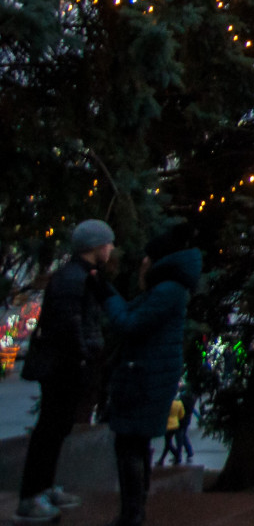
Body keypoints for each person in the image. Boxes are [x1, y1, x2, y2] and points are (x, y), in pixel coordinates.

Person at [98, 224, 202, 526]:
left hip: (145, 375)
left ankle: (133, 513)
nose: (142, 261)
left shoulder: (167, 290)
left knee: (129, 443)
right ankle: (134, 511)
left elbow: (129, 321)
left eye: (147, 257)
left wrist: (106, 293)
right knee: (135, 443)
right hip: (147, 373)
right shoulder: (168, 288)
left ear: (157, 260)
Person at [14, 219, 116, 524]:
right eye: (108, 243)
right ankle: (32, 496)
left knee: (56, 429)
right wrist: (84, 357)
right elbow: (70, 324)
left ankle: (43, 488)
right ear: (96, 246)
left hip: (65, 365)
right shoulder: (74, 278)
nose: (111, 248)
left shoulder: (81, 275)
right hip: (63, 367)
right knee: (49, 429)